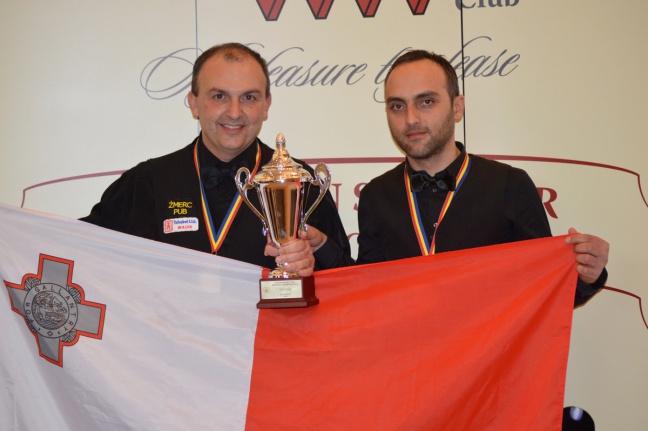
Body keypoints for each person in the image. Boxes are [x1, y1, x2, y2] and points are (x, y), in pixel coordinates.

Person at [299, 49, 608, 306]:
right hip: (408, 360)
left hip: (492, 361)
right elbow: (366, 292)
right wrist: (323, 245)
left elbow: (546, 289)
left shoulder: (509, 185)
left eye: (426, 101)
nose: (411, 118)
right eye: (397, 106)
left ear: (457, 107)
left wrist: (587, 276)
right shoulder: (376, 195)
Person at [81, 43, 351, 276]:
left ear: (266, 105)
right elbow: (82, 254)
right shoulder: (146, 183)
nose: (234, 112)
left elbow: (348, 280)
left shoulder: (301, 182)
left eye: (249, 97)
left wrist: (317, 251)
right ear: (194, 103)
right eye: (219, 96)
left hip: (270, 324)